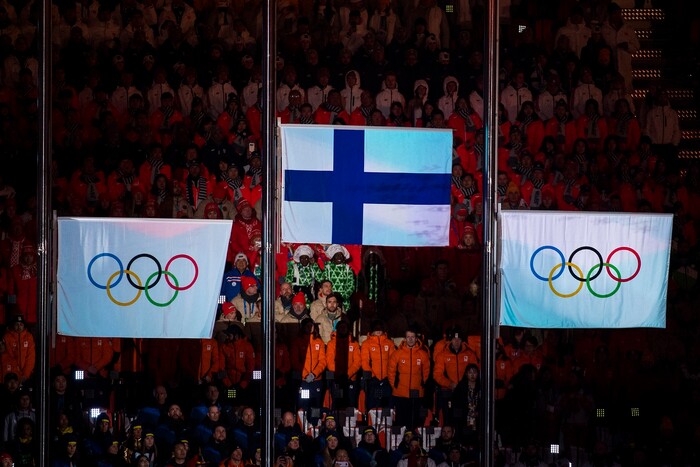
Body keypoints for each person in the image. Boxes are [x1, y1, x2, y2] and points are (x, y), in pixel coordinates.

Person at [388, 326, 430, 429]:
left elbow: (426, 372)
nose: (410, 339)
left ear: (416, 338)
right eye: (408, 337)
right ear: (405, 338)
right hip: (400, 394)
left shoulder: (423, 354)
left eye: (412, 337)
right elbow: (391, 371)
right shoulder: (397, 354)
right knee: (401, 422)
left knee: (415, 422)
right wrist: (395, 386)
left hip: (416, 393)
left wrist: (421, 384)